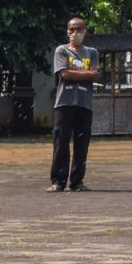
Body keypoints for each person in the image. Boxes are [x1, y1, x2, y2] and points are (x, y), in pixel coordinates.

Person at [49, 17, 101, 192]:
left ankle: (77, 182)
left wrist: (77, 73)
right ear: (67, 32)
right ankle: (58, 181)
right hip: (64, 103)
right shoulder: (61, 51)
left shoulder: (92, 52)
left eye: (79, 29)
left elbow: (95, 74)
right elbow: (64, 74)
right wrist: (86, 73)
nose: (75, 33)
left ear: (85, 32)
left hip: (84, 104)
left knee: (82, 142)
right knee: (61, 142)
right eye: (71, 29)